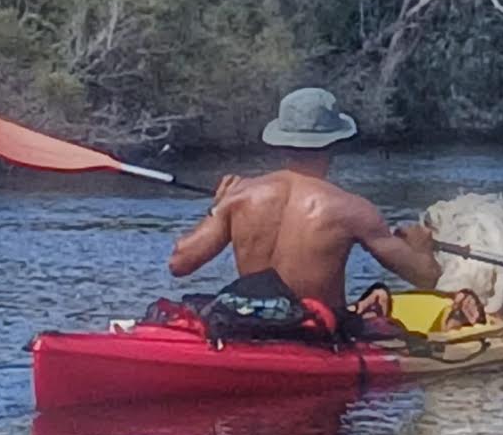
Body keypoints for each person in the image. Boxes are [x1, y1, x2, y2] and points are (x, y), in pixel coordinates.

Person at [169, 87, 444, 338]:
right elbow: (426, 277)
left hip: (249, 326)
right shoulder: (353, 209)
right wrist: (421, 246)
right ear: (335, 142)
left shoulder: (239, 195)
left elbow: (179, 263)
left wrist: (218, 207)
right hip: (315, 336)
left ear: (281, 141)